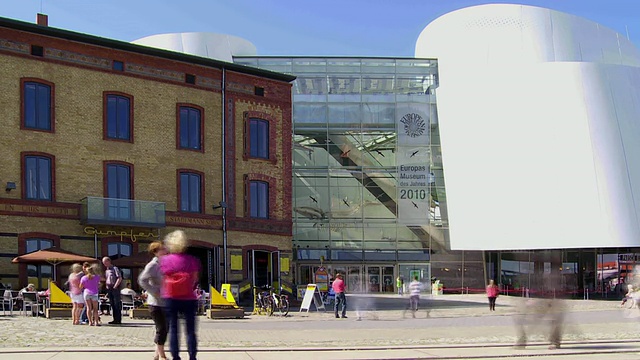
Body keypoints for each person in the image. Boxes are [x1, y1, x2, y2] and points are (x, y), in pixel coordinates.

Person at [160, 230, 201, 360]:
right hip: (189, 298)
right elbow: (195, 280)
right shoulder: (192, 260)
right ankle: (192, 357)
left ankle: (176, 357)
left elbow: (162, 278)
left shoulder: (165, 260)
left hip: (170, 298)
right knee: (190, 331)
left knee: (173, 329)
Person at [139, 241, 169, 360]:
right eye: (163, 249)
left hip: (166, 300)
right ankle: (162, 356)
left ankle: (157, 354)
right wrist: (154, 291)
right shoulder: (153, 265)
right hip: (156, 302)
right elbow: (142, 280)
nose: (166, 251)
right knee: (162, 328)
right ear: (156, 252)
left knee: (165, 327)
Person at [102, 256, 123, 325]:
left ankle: (118, 319)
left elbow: (119, 278)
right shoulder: (106, 271)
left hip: (115, 288)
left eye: (105, 262)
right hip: (109, 288)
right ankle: (114, 319)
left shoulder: (115, 268)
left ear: (108, 261)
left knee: (117, 304)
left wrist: (115, 286)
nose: (104, 264)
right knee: (112, 304)